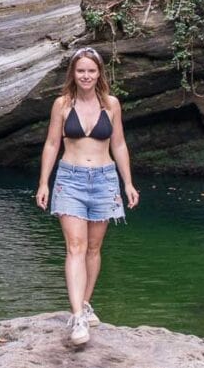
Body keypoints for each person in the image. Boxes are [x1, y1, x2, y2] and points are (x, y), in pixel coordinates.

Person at [35, 46, 139, 346]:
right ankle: (78, 316)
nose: (86, 75)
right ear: (73, 73)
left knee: (93, 248)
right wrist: (44, 183)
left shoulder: (111, 104)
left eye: (91, 70)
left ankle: (86, 302)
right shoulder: (62, 105)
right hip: (70, 180)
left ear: (99, 73)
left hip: (105, 180)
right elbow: (52, 144)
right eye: (80, 70)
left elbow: (118, 145)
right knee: (76, 247)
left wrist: (128, 183)